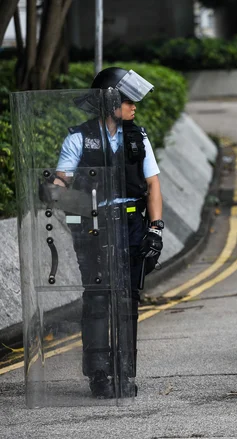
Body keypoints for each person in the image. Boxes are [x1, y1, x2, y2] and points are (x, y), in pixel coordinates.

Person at [54, 67, 164, 397]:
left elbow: (153, 184)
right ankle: (99, 373)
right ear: (109, 101)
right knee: (99, 298)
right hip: (94, 226)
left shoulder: (137, 136)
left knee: (128, 299)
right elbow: (62, 180)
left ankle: (125, 372)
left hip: (131, 223)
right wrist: (55, 187)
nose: (134, 107)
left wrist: (156, 229)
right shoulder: (78, 137)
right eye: (128, 101)